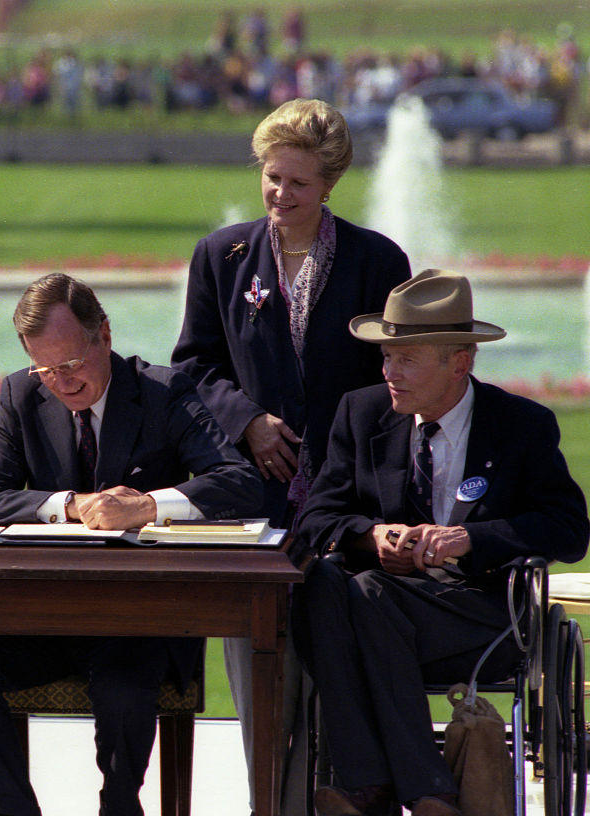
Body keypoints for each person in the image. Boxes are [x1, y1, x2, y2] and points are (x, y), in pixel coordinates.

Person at [0, 272, 263, 816]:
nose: (60, 381)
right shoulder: (21, 393)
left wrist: (149, 505)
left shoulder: (164, 391)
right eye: (46, 367)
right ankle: (3, 809)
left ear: (103, 335)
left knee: (125, 683)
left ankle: (118, 804)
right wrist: (68, 503)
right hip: (48, 617)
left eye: (72, 363)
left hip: (142, 619)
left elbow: (239, 483)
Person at [170, 97, 410, 807]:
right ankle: (271, 802)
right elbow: (194, 367)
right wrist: (247, 421)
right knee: (258, 667)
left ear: (329, 185)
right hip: (253, 503)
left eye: (297, 183)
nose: (280, 195)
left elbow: (393, 381)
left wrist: (344, 459)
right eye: (272, 178)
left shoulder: (376, 261)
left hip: (348, 504)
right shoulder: (223, 256)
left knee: (336, 666)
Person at [293, 269, 589, 816]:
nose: (389, 372)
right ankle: (412, 789)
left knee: (365, 596)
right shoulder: (362, 413)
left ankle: (383, 788)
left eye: (407, 358)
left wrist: (468, 539)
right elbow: (315, 519)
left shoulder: (521, 425)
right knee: (327, 582)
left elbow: (569, 530)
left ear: (460, 362)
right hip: (381, 607)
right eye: (386, 356)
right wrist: (372, 535)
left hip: (482, 616)